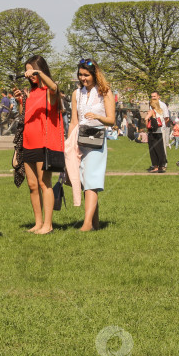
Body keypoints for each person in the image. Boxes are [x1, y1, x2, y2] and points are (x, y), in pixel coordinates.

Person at [16, 55, 63, 235]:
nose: (29, 75)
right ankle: (38, 222)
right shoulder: (32, 93)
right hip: (28, 143)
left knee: (45, 184)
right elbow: (24, 117)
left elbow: (54, 86)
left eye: (32, 71)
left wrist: (39, 73)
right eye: (28, 71)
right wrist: (20, 102)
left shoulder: (50, 92)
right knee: (32, 185)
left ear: (40, 70)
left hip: (44, 144)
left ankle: (48, 225)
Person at [68, 58, 114, 231]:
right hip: (80, 139)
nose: (82, 78)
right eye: (80, 75)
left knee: (91, 180)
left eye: (86, 75)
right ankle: (95, 223)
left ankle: (87, 224)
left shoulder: (105, 92)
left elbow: (111, 120)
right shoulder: (76, 94)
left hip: (96, 139)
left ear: (95, 75)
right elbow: (74, 120)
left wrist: (98, 117)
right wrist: (69, 142)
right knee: (82, 180)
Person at [144, 94, 168, 173]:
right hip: (159, 131)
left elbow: (146, 118)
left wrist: (147, 124)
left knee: (153, 150)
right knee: (160, 150)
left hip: (152, 133)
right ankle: (162, 166)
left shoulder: (152, 111)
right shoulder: (160, 111)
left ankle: (155, 166)